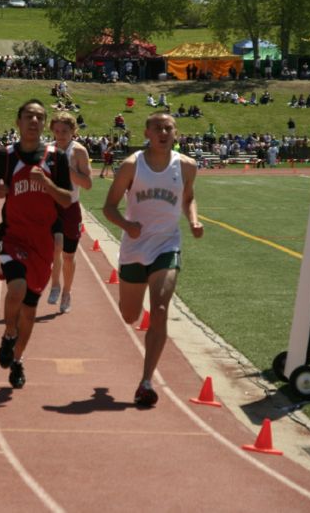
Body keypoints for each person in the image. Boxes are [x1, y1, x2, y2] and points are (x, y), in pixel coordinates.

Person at [102, 112, 203, 407]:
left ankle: (146, 381)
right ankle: (129, 307)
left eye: (168, 127)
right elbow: (109, 207)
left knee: (159, 308)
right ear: (146, 132)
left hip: (166, 244)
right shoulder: (131, 166)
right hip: (134, 248)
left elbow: (188, 198)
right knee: (130, 315)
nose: (163, 132)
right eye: (157, 127)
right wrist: (126, 225)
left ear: (176, 132)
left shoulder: (186, 166)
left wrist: (193, 220)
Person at [0, 100, 73, 388]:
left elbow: (67, 199)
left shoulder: (56, 158)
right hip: (12, 235)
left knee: (30, 310)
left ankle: (17, 361)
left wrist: (47, 184)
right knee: (16, 288)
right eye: (28, 116)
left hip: (42, 241)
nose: (33, 120)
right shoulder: (4, 156)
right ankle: (9, 335)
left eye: (39, 116)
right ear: (19, 121)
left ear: (44, 124)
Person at [46, 112, 92, 313]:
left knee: (68, 255)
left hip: (71, 207)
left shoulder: (79, 151)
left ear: (73, 131)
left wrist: (67, 167)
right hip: (50, 207)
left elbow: (88, 183)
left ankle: (67, 291)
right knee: (55, 248)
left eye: (65, 131)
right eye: (56, 131)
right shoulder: (47, 150)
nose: (60, 135)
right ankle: (55, 285)